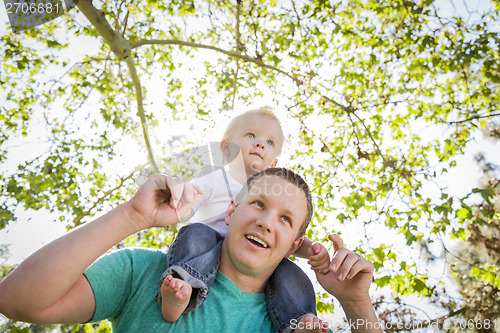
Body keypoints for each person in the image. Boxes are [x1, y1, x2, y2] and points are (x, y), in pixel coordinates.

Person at [0, 168, 382, 333]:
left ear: (294, 246)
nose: (267, 222)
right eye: (258, 205)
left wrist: (358, 305)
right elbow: (18, 300)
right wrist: (132, 216)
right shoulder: (145, 272)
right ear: (231, 212)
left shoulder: (295, 324)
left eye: (285, 219)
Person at [158, 107, 329, 333]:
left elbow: (287, 238)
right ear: (226, 148)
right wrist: (178, 201)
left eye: (269, 143)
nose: (259, 144)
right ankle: (183, 286)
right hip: (207, 248)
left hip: (255, 250)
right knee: (195, 233)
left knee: (288, 272)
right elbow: (191, 199)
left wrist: (313, 252)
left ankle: (296, 322)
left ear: (274, 162)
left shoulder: (274, 191)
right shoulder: (215, 177)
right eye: (251, 136)